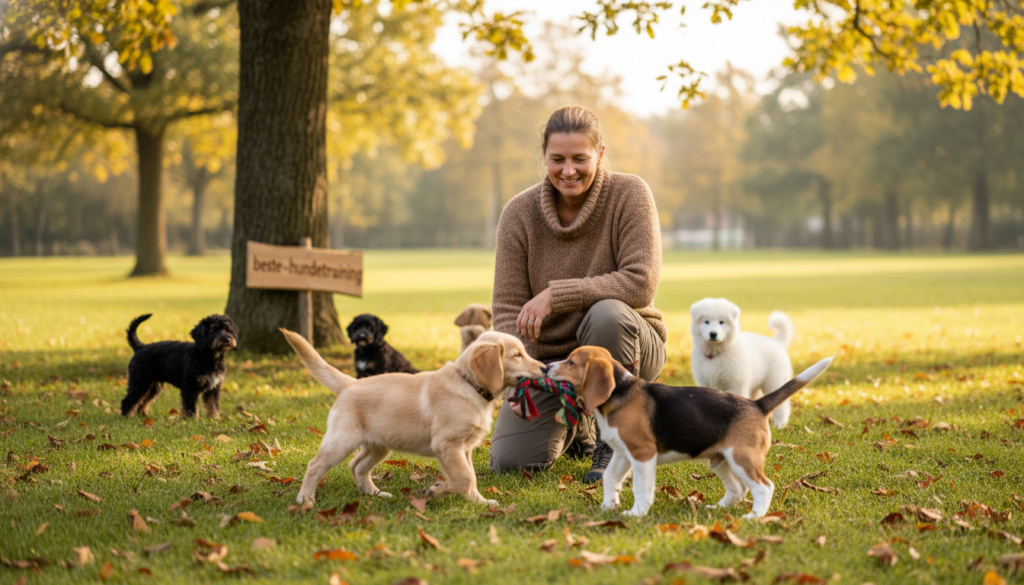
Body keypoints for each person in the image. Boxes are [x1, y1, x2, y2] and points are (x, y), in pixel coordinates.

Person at [488, 105, 667, 483]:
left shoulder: (629, 194)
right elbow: (506, 311)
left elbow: (640, 282)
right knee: (511, 461)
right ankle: (580, 426)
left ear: (599, 154)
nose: (568, 170)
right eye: (558, 159)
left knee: (607, 314)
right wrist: (526, 376)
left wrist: (558, 295)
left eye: (579, 159)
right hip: (552, 364)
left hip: (626, 348)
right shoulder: (518, 213)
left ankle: (612, 444)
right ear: (544, 157)